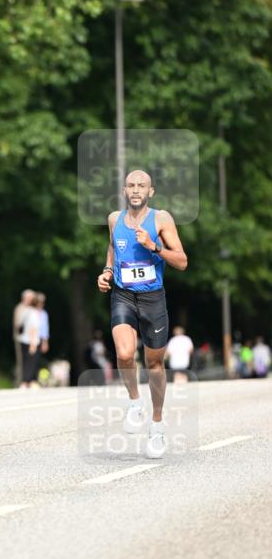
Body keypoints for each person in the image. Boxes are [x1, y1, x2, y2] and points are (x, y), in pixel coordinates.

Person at [97, 169, 188, 459]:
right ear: (124, 190)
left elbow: (182, 261)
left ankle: (157, 425)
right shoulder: (114, 219)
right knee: (124, 354)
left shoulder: (161, 219)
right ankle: (135, 403)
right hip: (123, 294)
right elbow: (113, 247)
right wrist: (108, 271)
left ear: (151, 192)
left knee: (155, 364)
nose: (136, 190)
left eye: (142, 186)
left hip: (152, 298)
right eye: (131, 185)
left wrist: (155, 247)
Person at [18, 293, 41, 389]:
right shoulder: (34, 313)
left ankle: (25, 381)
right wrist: (33, 343)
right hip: (31, 340)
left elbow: (20, 325)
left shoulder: (25, 311)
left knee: (25, 362)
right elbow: (33, 328)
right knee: (31, 362)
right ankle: (27, 381)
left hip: (23, 340)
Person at [13, 289, 35, 385]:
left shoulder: (33, 309)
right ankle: (22, 381)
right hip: (22, 338)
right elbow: (17, 324)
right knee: (22, 360)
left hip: (32, 338)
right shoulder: (20, 308)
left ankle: (30, 380)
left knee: (31, 359)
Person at [37, 292, 50, 357]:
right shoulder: (31, 312)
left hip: (40, 339)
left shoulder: (44, 314)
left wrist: (45, 342)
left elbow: (45, 329)